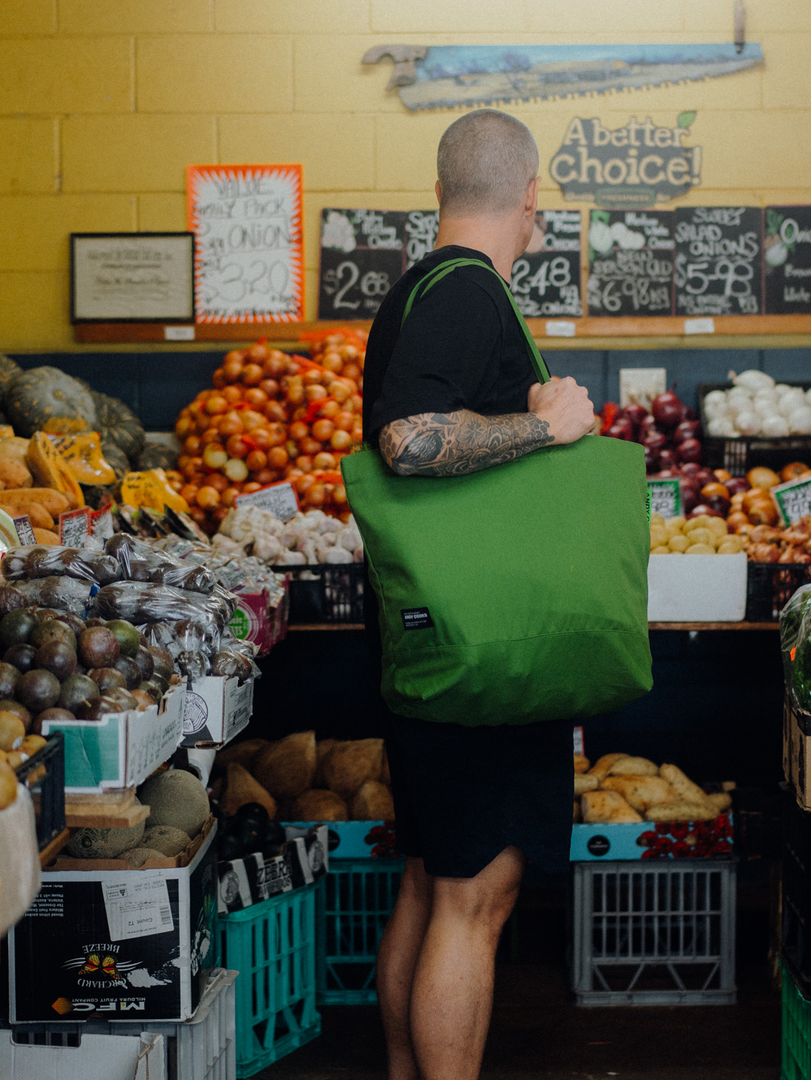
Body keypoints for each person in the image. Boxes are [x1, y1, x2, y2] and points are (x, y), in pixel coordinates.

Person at [360, 109, 597, 1080]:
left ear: (439, 190)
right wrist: (549, 430)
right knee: (476, 897)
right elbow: (409, 440)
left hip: (434, 645)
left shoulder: (418, 289)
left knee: (430, 884)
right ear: (532, 194)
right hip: (478, 657)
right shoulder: (468, 295)